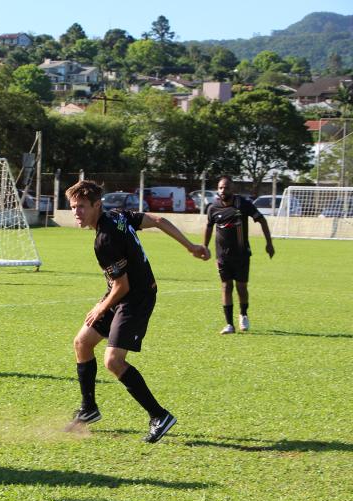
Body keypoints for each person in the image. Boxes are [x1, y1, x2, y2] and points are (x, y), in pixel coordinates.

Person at [65, 180, 211, 443]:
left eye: (82, 207)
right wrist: (190, 246)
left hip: (136, 297)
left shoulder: (105, 239)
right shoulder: (117, 216)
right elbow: (158, 220)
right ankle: (89, 409)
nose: (76, 212)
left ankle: (159, 416)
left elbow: (122, 286)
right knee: (82, 343)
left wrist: (101, 307)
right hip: (121, 294)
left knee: (113, 361)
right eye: (73, 207)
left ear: (97, 205)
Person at [203, 177, 275, 334]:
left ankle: (243, 314)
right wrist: (205, 247)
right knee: (226, 286)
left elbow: (262, 220)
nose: (223, 191)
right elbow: (209, 228)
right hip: (222, 257)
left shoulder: (242, 204)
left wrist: (269, 243)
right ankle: (229, 324)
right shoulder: (213, 208)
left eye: (226, 188)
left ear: (232, 189)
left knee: (241, 287)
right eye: (221, 188)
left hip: (242, 255)